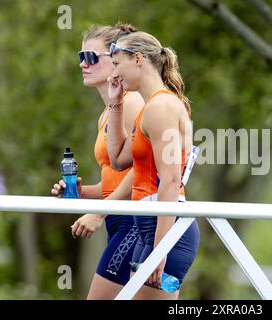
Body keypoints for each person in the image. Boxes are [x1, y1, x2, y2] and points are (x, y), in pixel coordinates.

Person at [50, 23, 144, 299]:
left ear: (116, 61)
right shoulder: (107, 114)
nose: (83, 64)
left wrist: (99, 212)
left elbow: (144, 168)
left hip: (137, 223)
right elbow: (115, 178)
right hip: (122, 220)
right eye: (81, 57)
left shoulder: (133, 102)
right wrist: (84, 193)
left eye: (91, 57)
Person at [105, 31, 199, 300]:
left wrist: (161, 250)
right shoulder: (150, 107)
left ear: (137, 59)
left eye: (117, 63)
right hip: (148, 226)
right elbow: (119, 159)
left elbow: (170, 180)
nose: (114, 72)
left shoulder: (162, 106)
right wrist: (115, 103)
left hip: (167, 229)